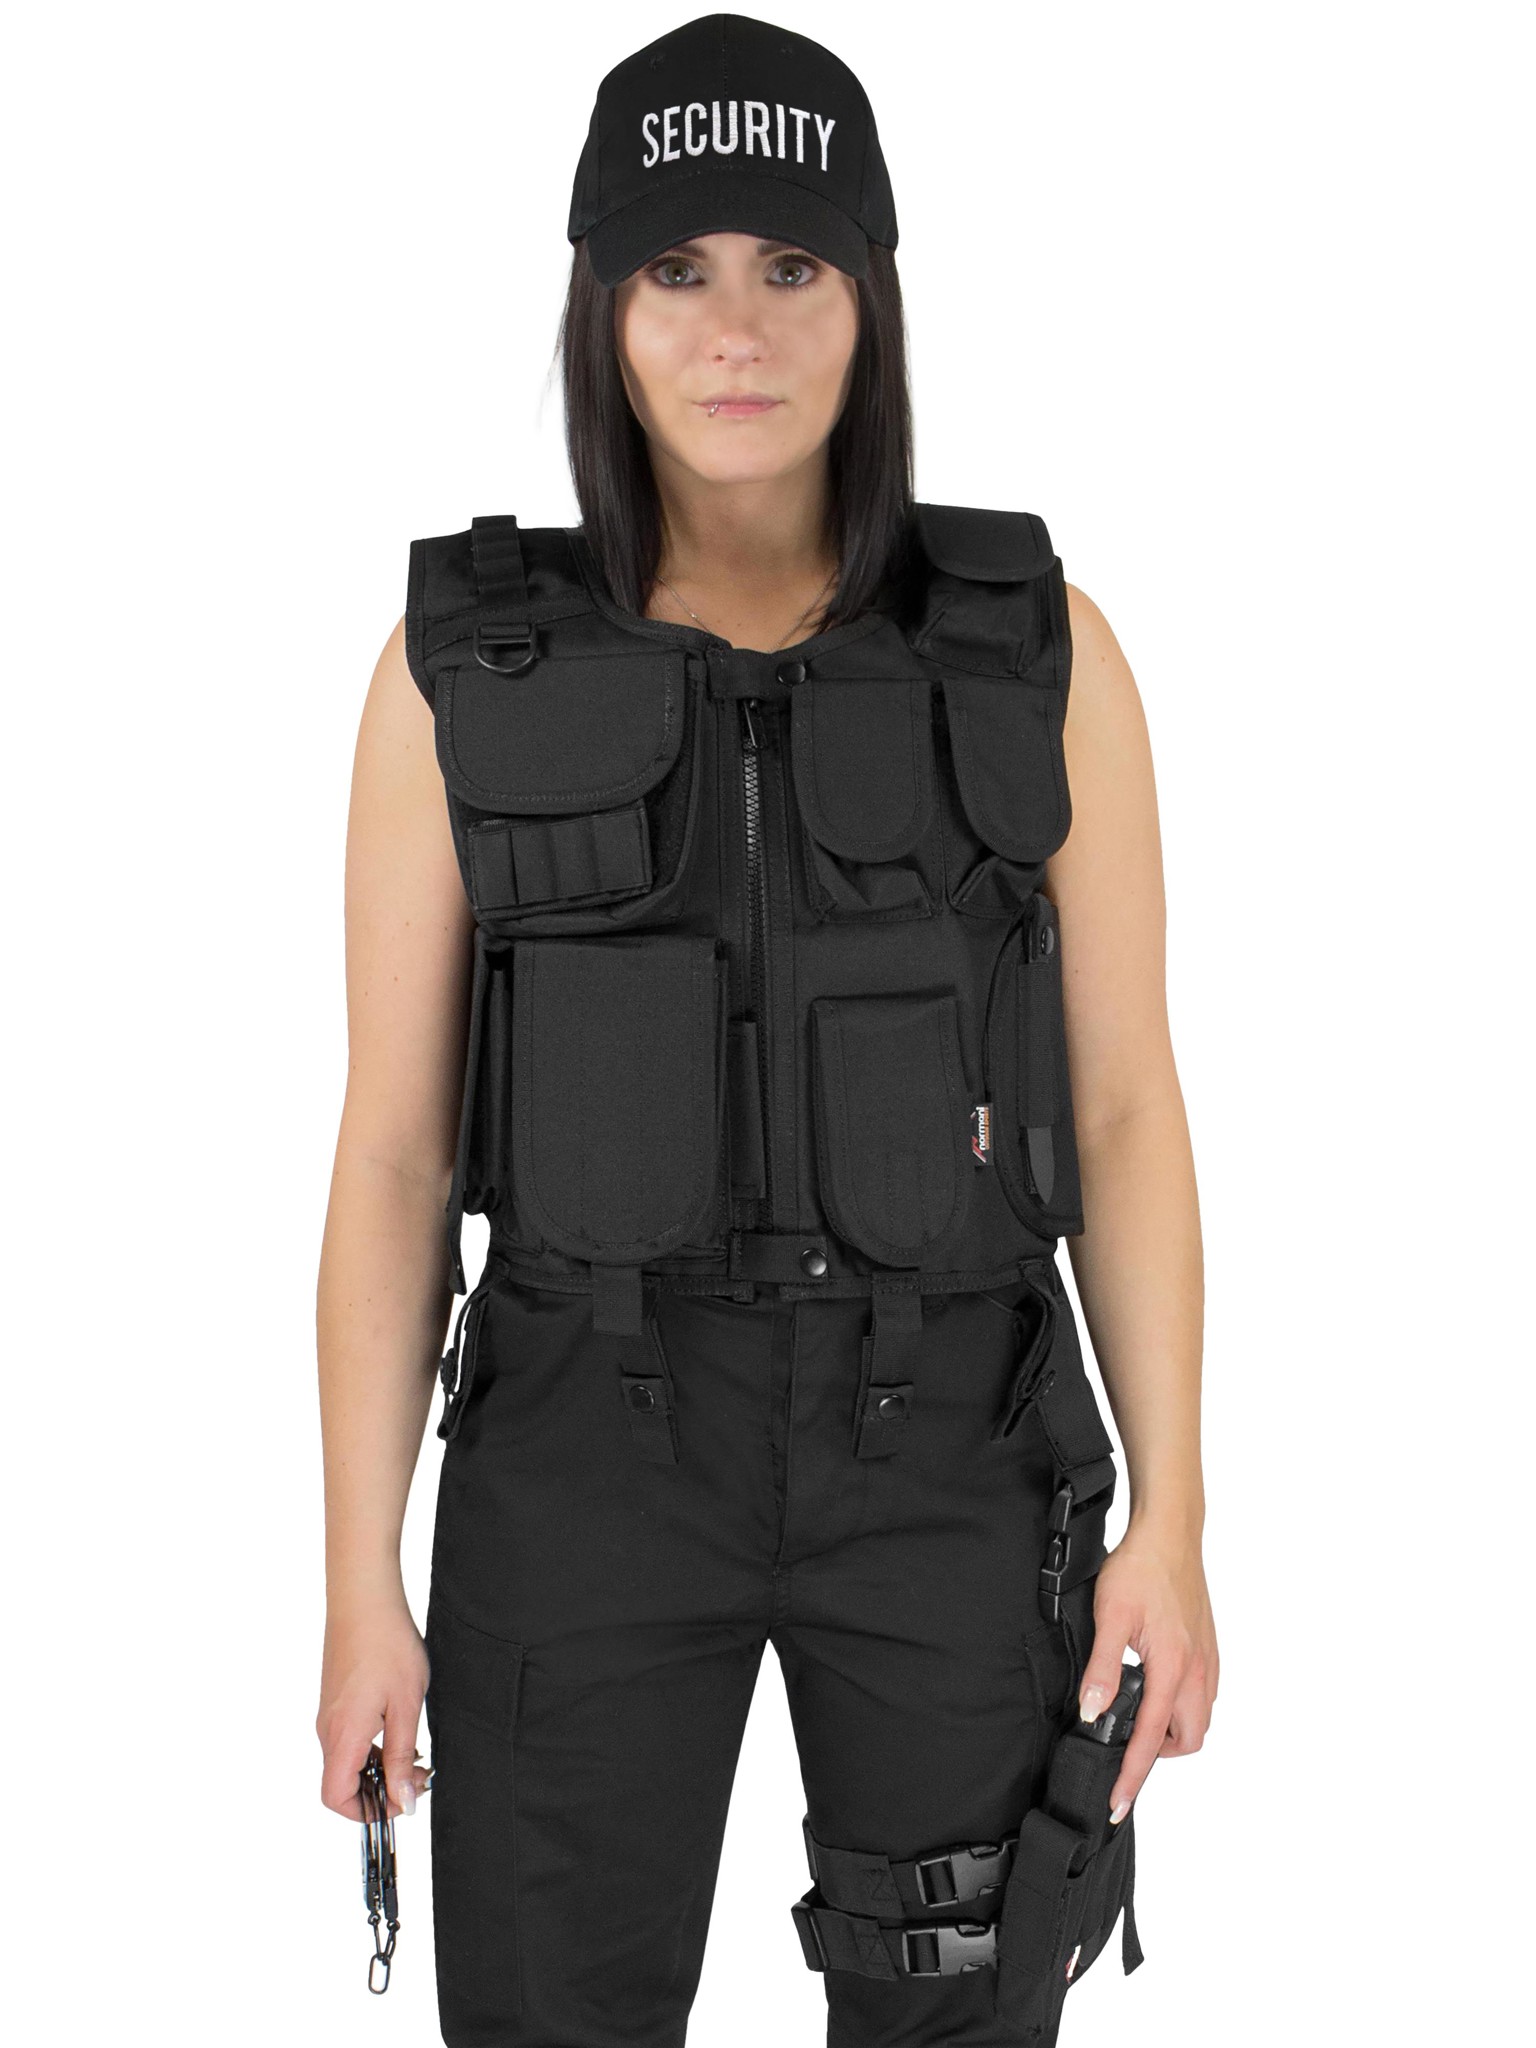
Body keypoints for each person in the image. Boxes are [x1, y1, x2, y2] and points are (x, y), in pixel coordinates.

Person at [314, 13, 1217, 2046]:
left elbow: (1126, 1110)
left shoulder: (1039, 658)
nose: (737, 331)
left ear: (870, 294)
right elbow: (391, 1152)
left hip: (954, 1445)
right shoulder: (460, 673)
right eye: (679, 267)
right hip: (583, 1446)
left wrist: (1174, 1517)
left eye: (793, 263)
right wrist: (363, 1580)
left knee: (957, 2009)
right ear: (603, 308)